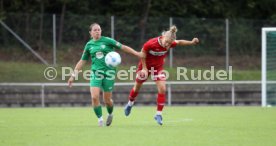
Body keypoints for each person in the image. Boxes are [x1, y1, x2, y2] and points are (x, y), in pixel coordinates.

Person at [68, 23, 142, 127]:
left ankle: (110, 113)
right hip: (96, 73)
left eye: (99, 29)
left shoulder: (107, 40)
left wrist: (137, 53)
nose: (97, 31)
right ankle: (100, 119)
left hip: (109, 73)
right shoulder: (89, 45)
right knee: (94, 97)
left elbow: (123, 47)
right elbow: (82, 61)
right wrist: (73, 76)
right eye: (95, 30)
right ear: (90, 32)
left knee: (107, 100)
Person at [124, 25, 199, 125]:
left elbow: (180, 42)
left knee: (163, 88)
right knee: (137, 87)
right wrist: (145, 69)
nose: (167, 46)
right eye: (166, 43)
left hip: (157, 68)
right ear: (163, 37)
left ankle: (158, 114)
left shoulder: (170, 42)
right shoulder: (151, 43)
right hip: (144, 66)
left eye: (169, 44)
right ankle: (130, 103)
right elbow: (142, 54)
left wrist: (191, 42)